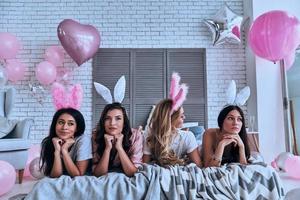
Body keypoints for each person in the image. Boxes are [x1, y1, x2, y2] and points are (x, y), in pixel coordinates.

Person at [143, 99, 202, 167]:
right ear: (171, 119)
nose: (184, 117)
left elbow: (199, 166)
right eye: (181, 116)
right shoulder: (149, 135)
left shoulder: (188, 136)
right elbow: (145, 165)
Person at [92, 102, 143, 177]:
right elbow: (98, 174)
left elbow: (133, 172)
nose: (112, 123)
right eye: (107, 118)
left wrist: (119, 147)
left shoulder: (136, 135)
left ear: (124, 122)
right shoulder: (96, 136)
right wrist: (107, 148)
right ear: (103, 122)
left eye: (118, 118)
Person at [40, 108, 92, 177]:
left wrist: (64, 151)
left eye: (70, 124)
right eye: (61, 122)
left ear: (77, 128)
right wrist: (57, 151)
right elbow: (55, 176)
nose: (64, 127)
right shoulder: (50, 142)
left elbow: (78, 175)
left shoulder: (83, 140)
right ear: (55, 124)